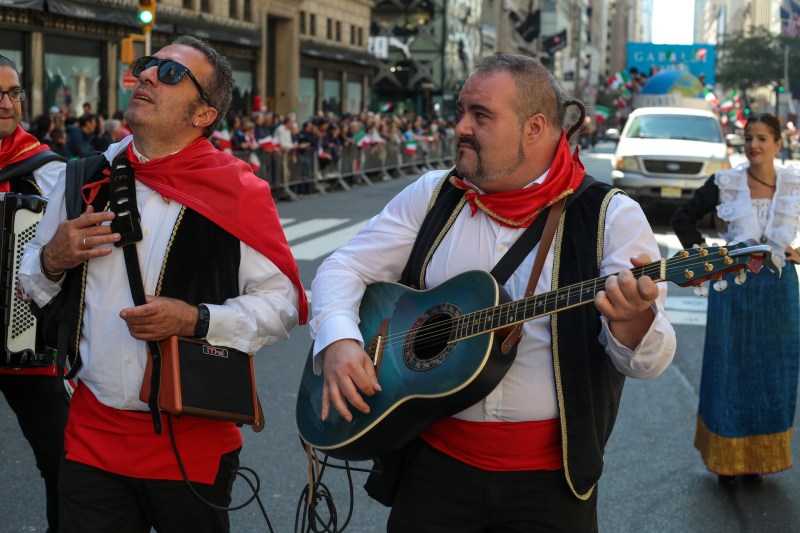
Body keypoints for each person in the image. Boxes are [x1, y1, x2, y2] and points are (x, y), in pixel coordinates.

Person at [309, 53, 676, 531]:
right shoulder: (433, 195)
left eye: (480, 115)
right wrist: (339, 340)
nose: (460, 126)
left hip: (549, 486)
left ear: (534, 127)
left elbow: (650, 362)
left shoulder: (612, 217)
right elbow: (343, 266)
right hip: (432, 470)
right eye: (460, 111)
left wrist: (631, 320)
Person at [19, 35, 307, 532]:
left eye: (171, 73)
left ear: (203, 114)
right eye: (149, 65)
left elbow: (282, 307)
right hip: (91, 434)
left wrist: (196, 319)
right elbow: (33, 286)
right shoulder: (81, 177)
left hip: (192, 442)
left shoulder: (239, 189)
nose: (148, 75)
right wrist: (51, 259)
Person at [672, 112, 800, 485]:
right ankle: (727, 459)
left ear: (778, 143)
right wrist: (708, 260)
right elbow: (683, 218)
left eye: (761, 138)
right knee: (728, 369)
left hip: (779, 292)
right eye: (748, 138)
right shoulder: (726, 182)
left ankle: (759, 459)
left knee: (774, 372)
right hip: (734, 287)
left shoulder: (793, 182)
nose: (753, 145)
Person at [0, 54, 68, 533]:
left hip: (25, 344)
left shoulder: (48, 172)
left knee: (64, 463)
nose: (7, 103)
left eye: (13, 92)